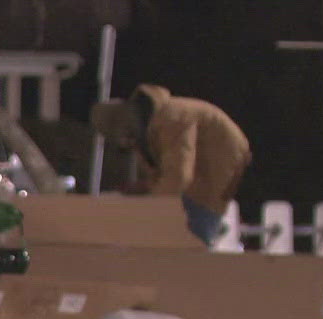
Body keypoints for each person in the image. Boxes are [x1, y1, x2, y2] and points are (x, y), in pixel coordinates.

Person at [90, 84, 251, 245]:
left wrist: (151, 209)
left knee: (198, 215)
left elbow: (179, 175)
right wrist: (146, 190)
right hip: (200, 166)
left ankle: (199, 247)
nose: (124, 143)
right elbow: (160, 174)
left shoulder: (173, 118)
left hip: (222, 157)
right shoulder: (144, 132)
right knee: (177, 211)